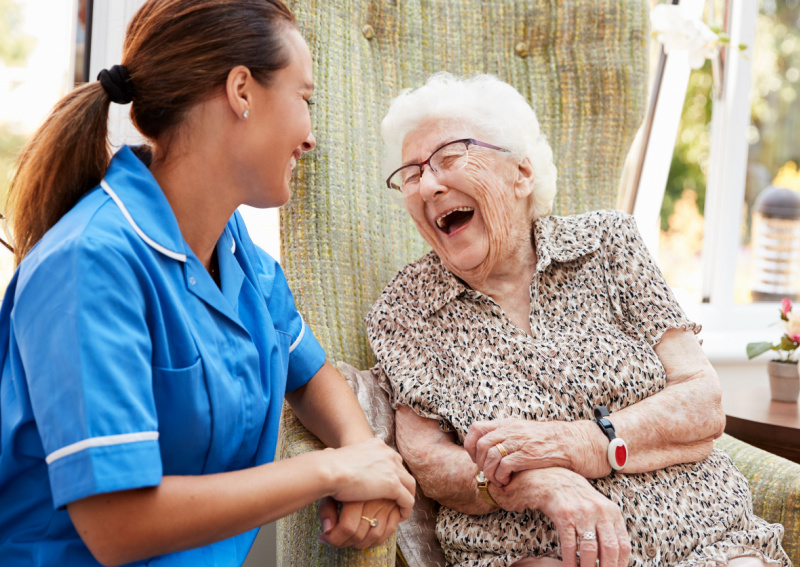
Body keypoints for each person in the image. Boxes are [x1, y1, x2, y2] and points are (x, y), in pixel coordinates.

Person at [0, 1, 415, 565]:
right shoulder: (88, 264)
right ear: (241, 91)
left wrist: (366, 455)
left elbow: (308, 370)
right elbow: (117, 524)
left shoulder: (234, 245)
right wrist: (331, 469)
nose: (311, 136)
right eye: (305, 99)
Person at [366, 73, 791, 567]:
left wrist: (580, 444)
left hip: (710, 538)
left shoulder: (607, 243)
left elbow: (702, 402)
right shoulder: (406, 308)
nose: (430, 184)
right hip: (536, 551)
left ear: (521, 173)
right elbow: (430, 461)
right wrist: (538, 482)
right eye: (412, 174)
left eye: (449, 157)